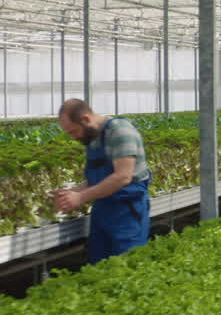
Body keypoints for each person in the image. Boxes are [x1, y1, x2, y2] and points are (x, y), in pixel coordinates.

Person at [52, 99, 152, 263]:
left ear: (85, 119)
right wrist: (73, 192)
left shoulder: (120, 131)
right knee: (99, 265)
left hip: (127, 211)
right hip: (103, 210)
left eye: (73, 131)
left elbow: (123, 177)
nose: (73, 137)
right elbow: (97, 178)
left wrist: (80, 198)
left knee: (127, 265)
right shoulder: (92, 137)